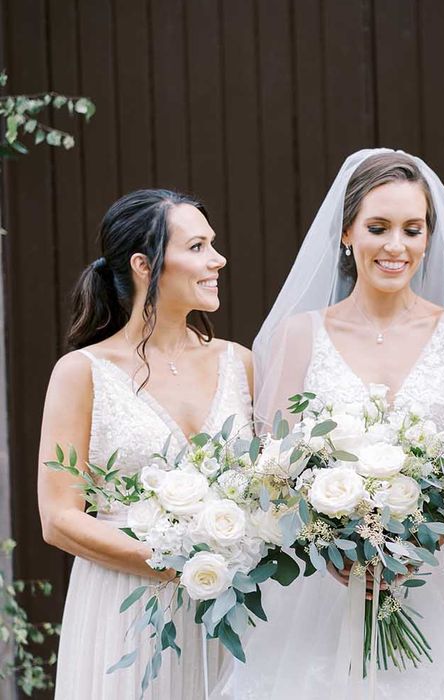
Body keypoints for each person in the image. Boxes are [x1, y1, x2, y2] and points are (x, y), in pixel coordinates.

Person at [213, 149, 444, 699]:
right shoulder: (299, 336)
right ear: (347, 232)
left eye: (412, 229)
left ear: (428, 237)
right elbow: (269, 474)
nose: (396, 246)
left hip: (440, 580)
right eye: (378, 228)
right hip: (319, 591)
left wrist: (424, 531)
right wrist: (331, 547)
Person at [37, 189, 254, 699]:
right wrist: (177, 561)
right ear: (144, 264)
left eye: (213, 244)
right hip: (125, 605)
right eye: (197, 246)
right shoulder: (82, 373)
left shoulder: (240, 363)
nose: (217, 259)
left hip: (231, 607)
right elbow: (58, 518)